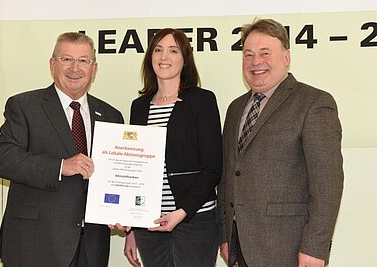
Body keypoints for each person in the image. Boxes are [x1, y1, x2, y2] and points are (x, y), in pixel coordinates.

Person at [0, 32, 124, 266]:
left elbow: (115, 177)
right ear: (52, 64)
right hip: (36, 243)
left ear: (94, 68)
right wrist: (61, 166)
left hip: (91, 247)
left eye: (84, 60)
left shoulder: (111, 116)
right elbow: (1, 158)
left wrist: (120, 211)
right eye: (66, 59)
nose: (75, 68)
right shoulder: (24, 106)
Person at [217, 18, 344, 267]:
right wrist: (226, 236)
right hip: (240, 247)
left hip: (290, 249)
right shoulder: (235, 109)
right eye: (248, 54)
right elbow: (228, 176)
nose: (256, 62)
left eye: (265, 53)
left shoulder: (314, 104)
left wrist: (315, 248)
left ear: (286, 57)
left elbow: (327, 184)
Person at [122, 28, 223, 267]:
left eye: (173, 50)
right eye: (158, 50)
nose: (164, 57)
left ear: (184, 59)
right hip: (150, 223)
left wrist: (182, 212)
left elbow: (213, 168)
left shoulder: (202, 101)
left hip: (194, 221)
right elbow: (135, 168)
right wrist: (132, 228)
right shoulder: (139, 107)